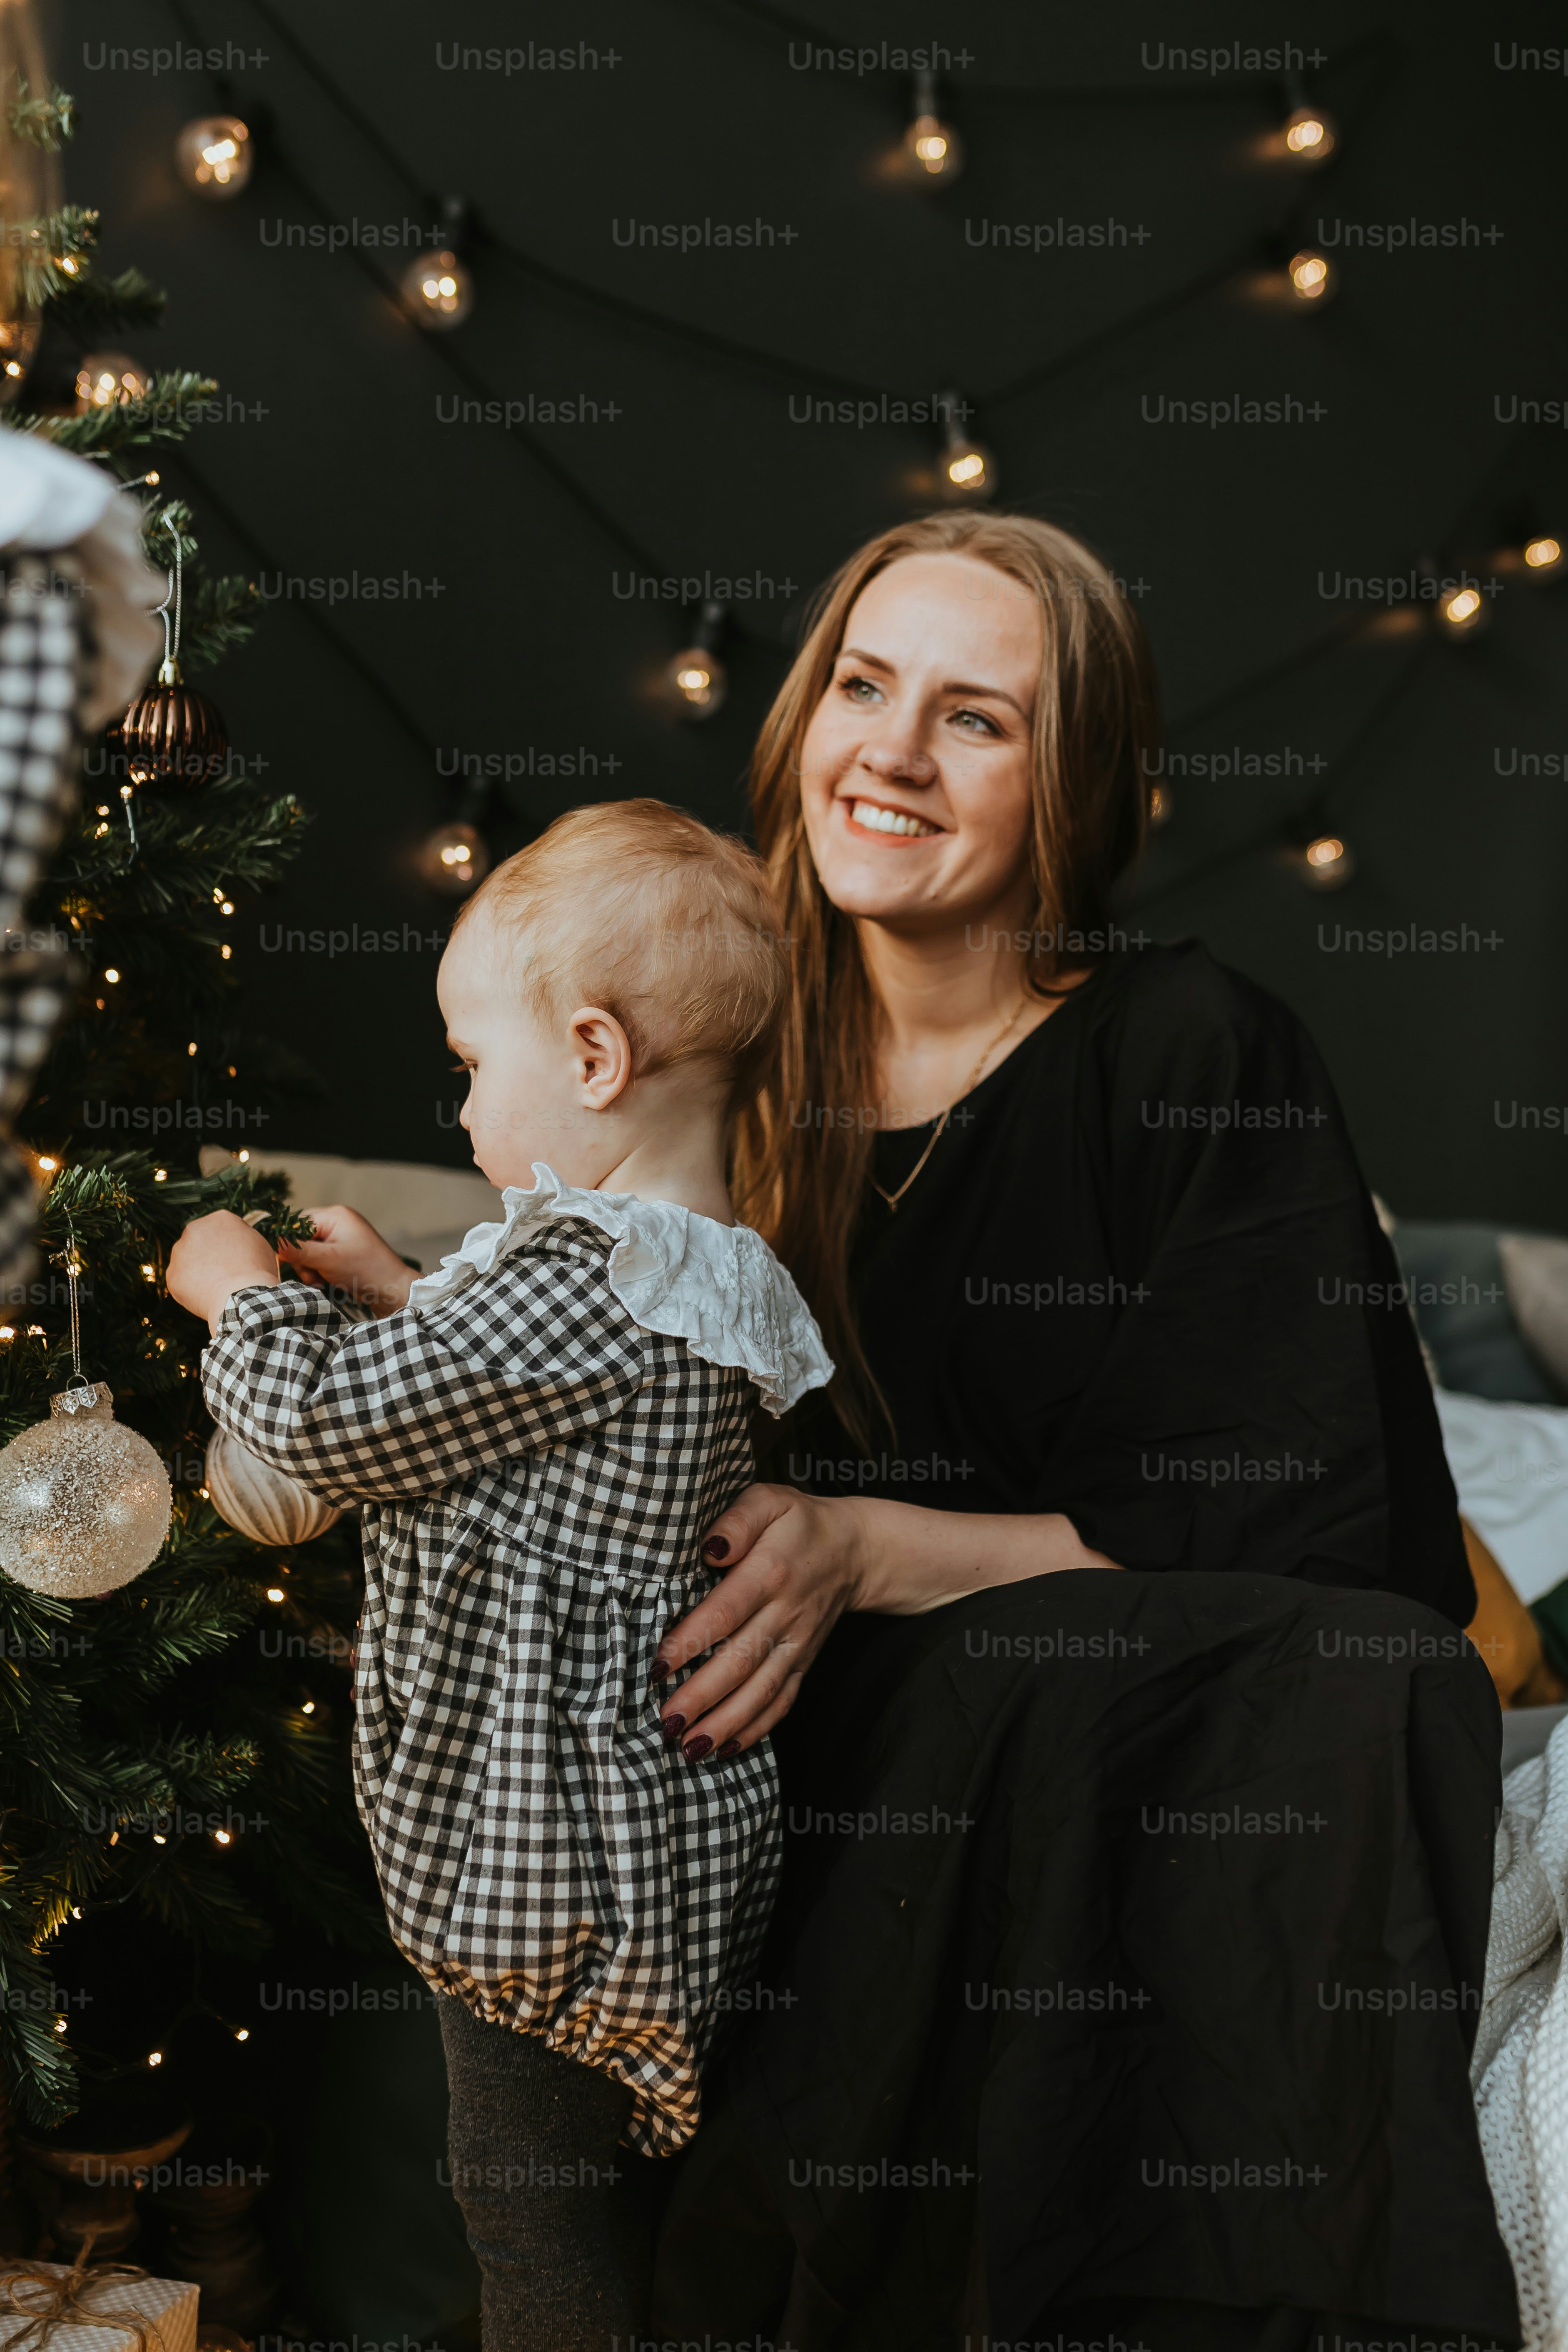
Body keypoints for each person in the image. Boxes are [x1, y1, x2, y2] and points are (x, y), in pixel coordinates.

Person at [645, 513, 1521, 2350]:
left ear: (1079, 786)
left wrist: (874, 1546)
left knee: (1372, 1671)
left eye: (977, 718)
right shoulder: (703, 1048)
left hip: (1107, 1693)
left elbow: (1317, 1513)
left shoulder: (1196, 1043)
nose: (888, 751)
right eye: (864, 686)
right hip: (778, 1742)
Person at [166, 800, 833, 2352]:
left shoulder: (586, 1273)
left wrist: (236, 1292)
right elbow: (528, 1437)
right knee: (567, 2200)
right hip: (629, 1845)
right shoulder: (691, 1270)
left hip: (544, 1865)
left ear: (595, 1061)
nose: (463, 1109)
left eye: (475, 1068)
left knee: (519, 2209)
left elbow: (340, 1426)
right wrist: (401, 1288)